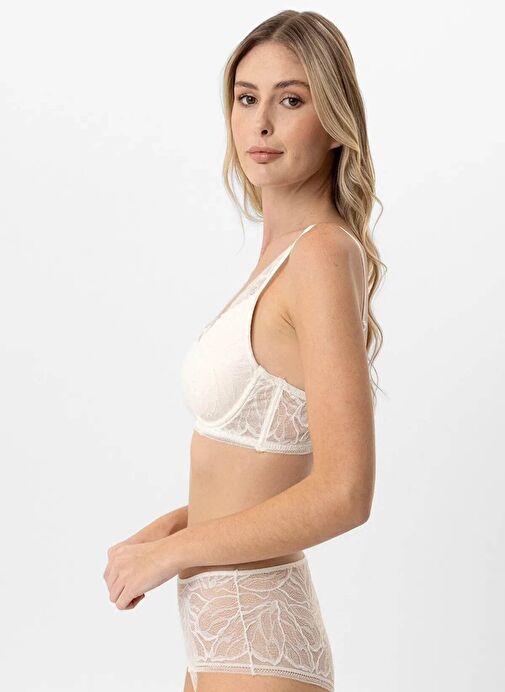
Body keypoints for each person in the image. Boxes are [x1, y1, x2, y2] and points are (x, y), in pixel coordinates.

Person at [103, 9, 385, 692]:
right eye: (246, 97)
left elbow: (345, 493)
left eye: (290, 100)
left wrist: (169, 556)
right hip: (219, 643)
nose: (260, 123)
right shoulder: (280, 258)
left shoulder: (321, 254)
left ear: (334, 121)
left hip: (258, 642)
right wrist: (166, 532)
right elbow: (254, 476)